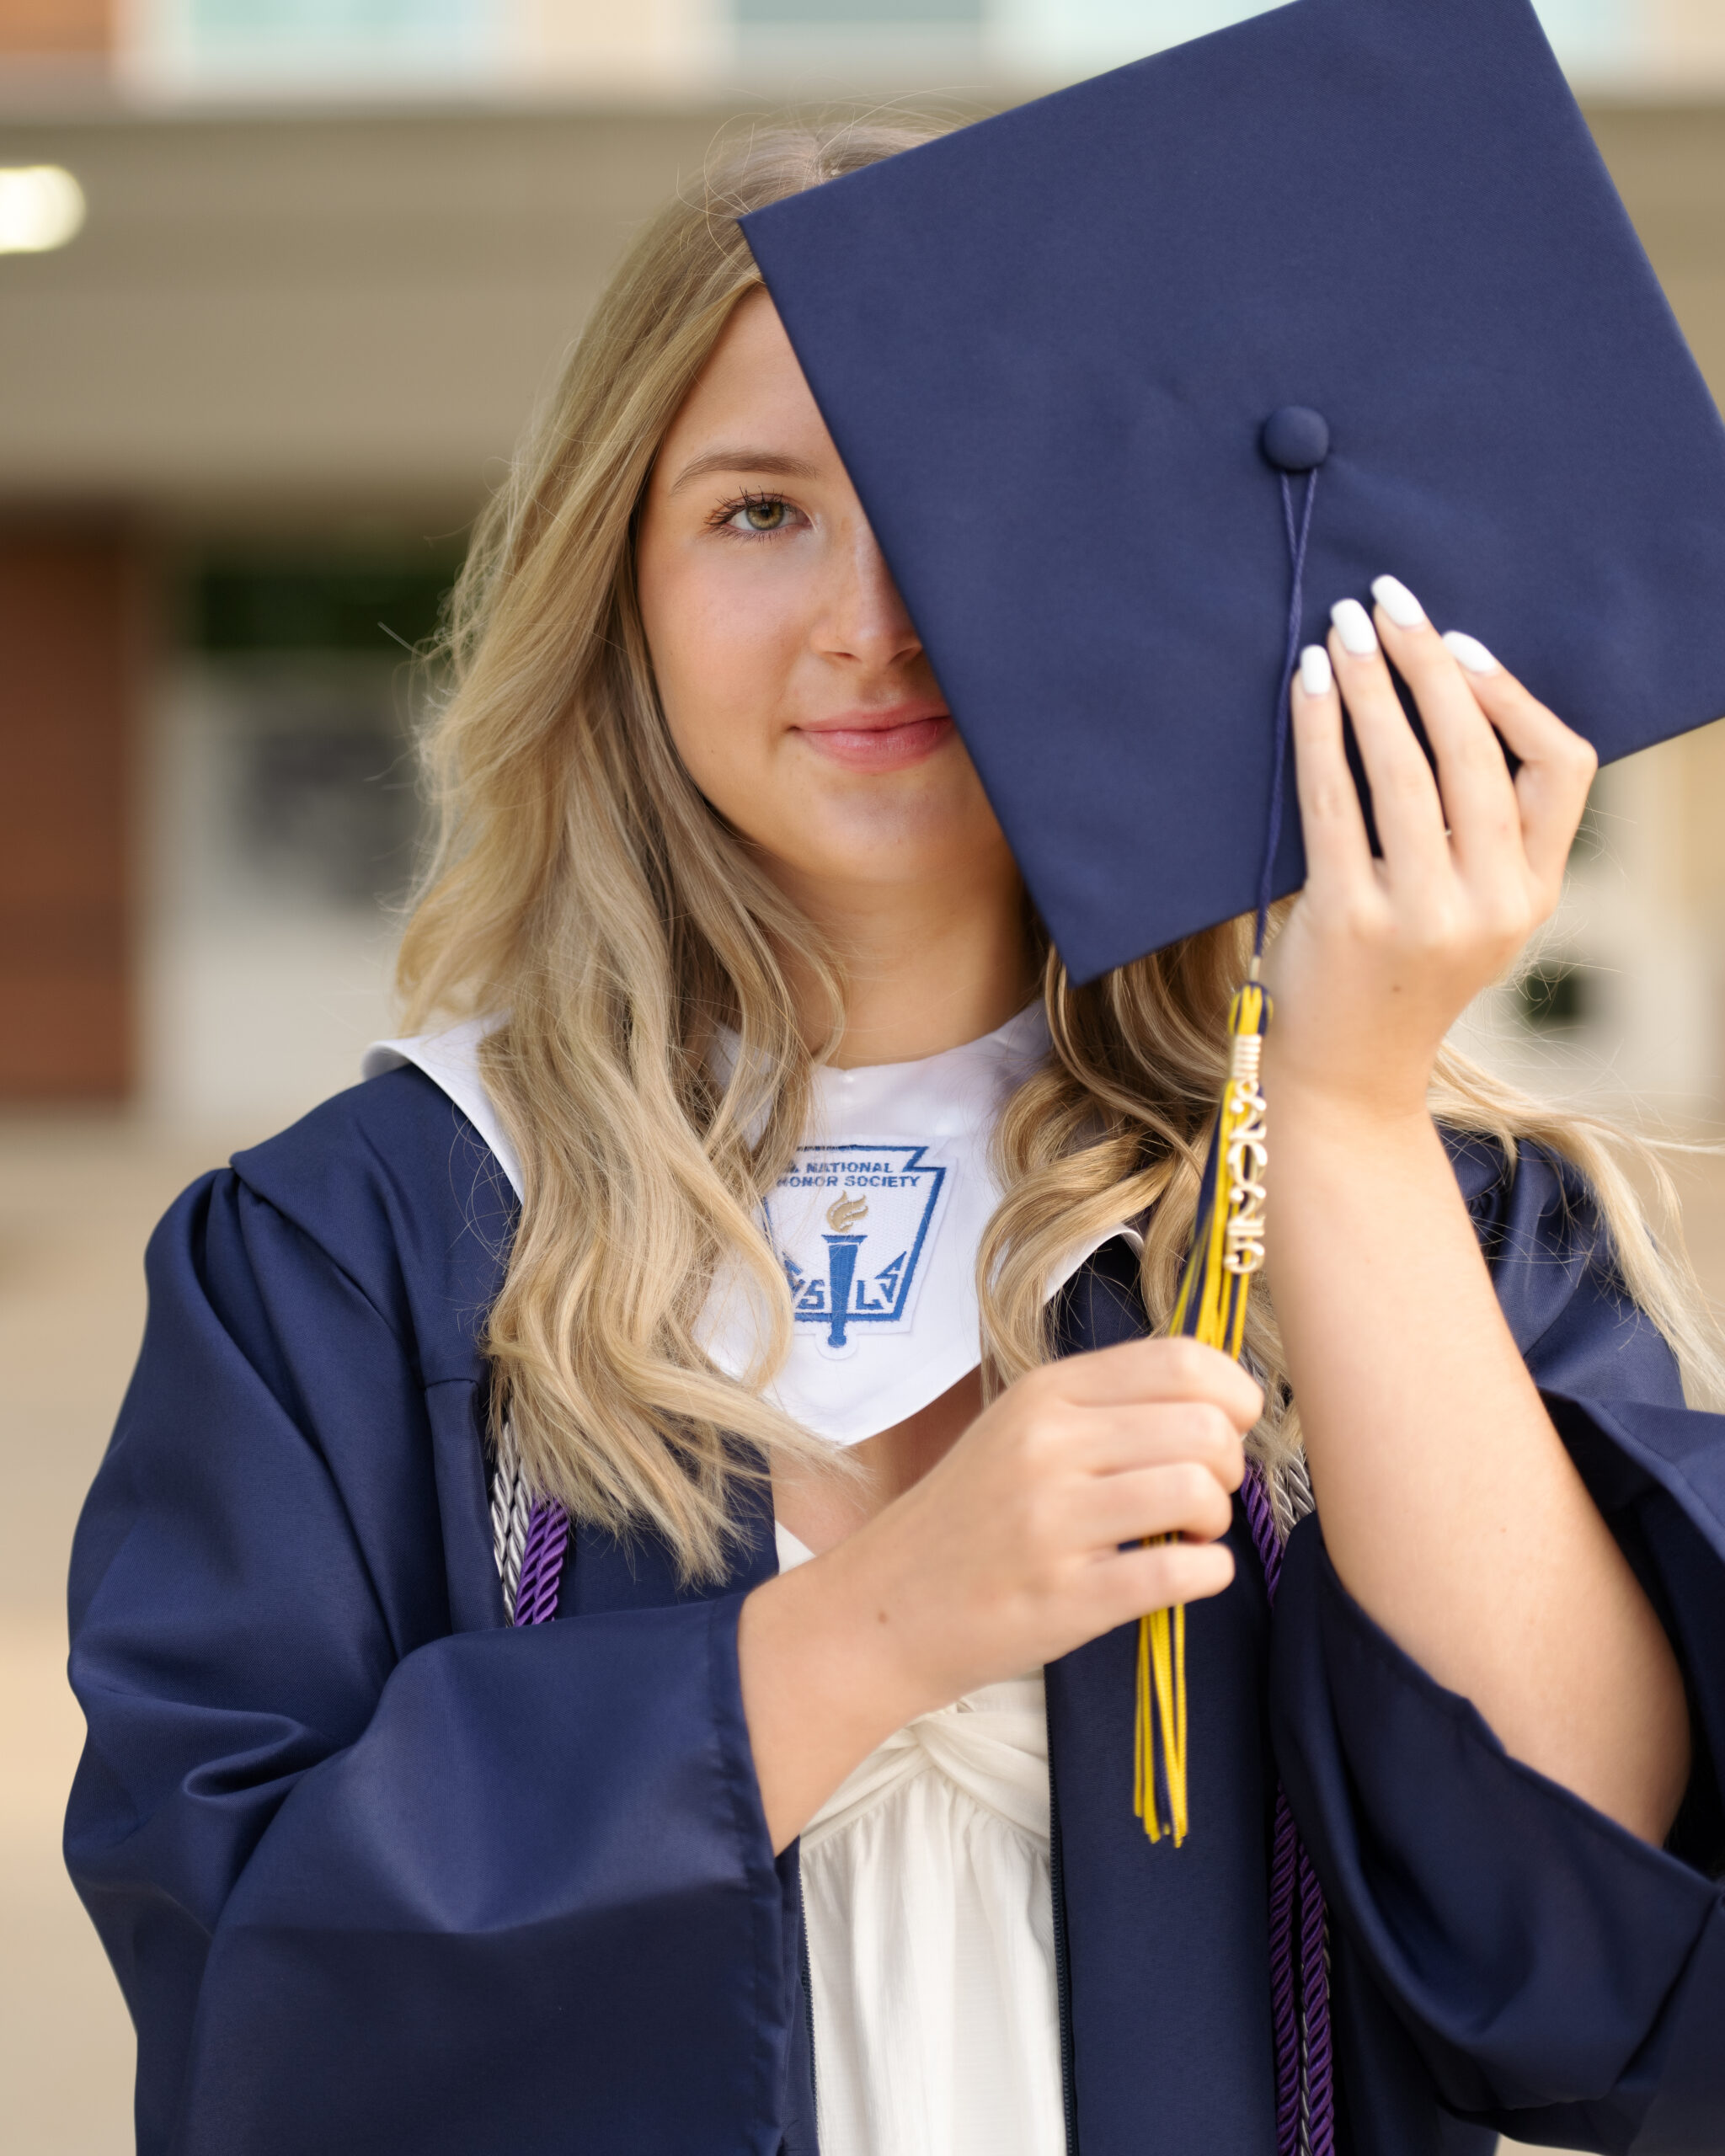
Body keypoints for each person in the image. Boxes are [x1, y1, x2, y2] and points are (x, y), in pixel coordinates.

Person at [67, 115, 1725, 2156]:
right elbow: (246, 2022)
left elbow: (1602, 1948)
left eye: (968, 499)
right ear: (623, 575)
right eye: (759, 512)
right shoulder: (366, 1240)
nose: (873, 616)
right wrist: (860, 1634)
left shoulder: (1403, 1197)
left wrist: (1349, 1107)